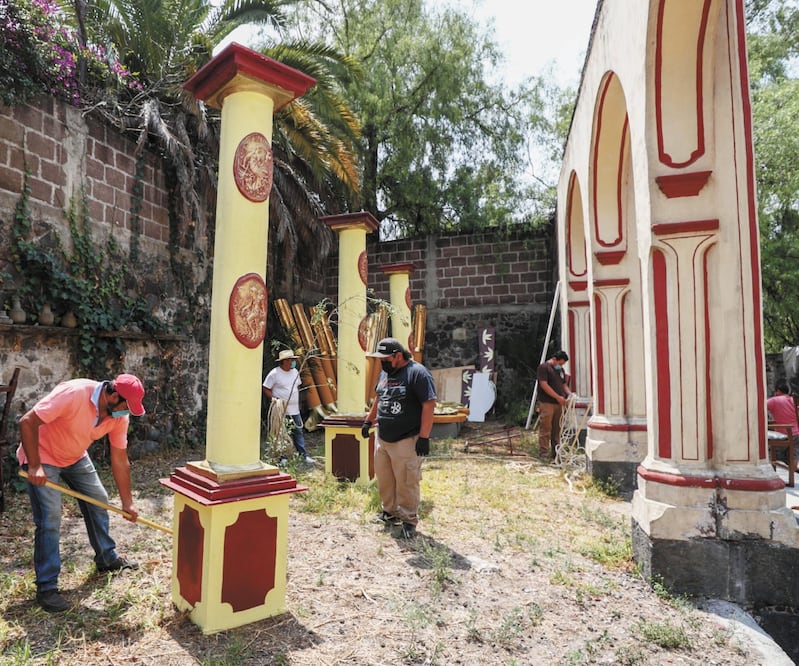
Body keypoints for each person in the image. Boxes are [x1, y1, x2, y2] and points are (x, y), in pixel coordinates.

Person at [18, 373, 146, 613]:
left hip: (74, 456)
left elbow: (120, 458)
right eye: (124, 406)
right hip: (43, 455)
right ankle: (47, 587)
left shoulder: (119, 416)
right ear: (113, 395)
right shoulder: (75, 393)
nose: (125, 413)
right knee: (51, 519)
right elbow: (27, 421)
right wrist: (35, 465)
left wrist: (128, 503)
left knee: (99, 500)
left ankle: (107, 559)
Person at [361, 337, 437, 539]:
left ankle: (408, 520)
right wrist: (369, 421)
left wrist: (424, 437)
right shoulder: (385, 373)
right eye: (380, 359)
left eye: (386, 358)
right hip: (383, 438)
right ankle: (389, 512)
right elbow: (379, 396)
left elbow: (429, 405)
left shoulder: (417, 373)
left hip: (406, 439)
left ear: (398, 356)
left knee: (406, 481)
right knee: (385, 479)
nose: (382, 362)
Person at [262, 349, 314, 465]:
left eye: (293, 360)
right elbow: (266, 387)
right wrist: (273, 399)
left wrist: (299, 401)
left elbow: (298, 387)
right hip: (281, 410)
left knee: (298, 431)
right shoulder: (274, 373)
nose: (293, 362)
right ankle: (283, 457)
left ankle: (303, 455)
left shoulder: (295, 372)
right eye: (291, 360)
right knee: (282, 432)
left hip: (294, 409)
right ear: (284, 361)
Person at [536, 350, 573, 460]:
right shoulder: (544, 368)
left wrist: (570, 394)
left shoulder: (560, 370)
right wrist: (557, 397)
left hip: (559, 404)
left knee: (558, 429)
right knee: (546, 427)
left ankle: (556, 452)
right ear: (554, 359)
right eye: (560, 363)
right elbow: (544, 384)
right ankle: (543, 452)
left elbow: (563, 384)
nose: (560, 366)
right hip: (547, 402)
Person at [767, 382, 799, 464]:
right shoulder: (793, 400)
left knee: (776, 457)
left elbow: (760, 406)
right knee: (793, 456)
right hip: (796, 434)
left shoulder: (774, 400)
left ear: (778, 391)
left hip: (783, 434)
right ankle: (793, 473)